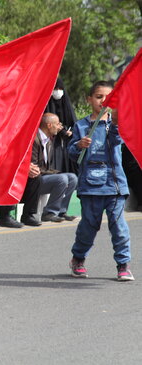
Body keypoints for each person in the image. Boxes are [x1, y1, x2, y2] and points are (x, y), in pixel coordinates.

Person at [68, 81, 133, 281]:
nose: (103, 101)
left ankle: (123, 265)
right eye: (98, 97)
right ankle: (78, 259)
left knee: (119, 227)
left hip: (114, 186)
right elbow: (71, 154)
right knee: (89, 225)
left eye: (107, 97)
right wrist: (79, 145)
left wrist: (115, 124)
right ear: (89, 100)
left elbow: (117, 142)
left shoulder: (115, 124)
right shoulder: (81, 126)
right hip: (90, 186)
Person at [32, 113, 78, 222]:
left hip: (43, 176)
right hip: (33, 179)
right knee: (61, 179)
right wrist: (54, 174)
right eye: (57, 124)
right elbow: (34, 166)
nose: (60, 127)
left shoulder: (49, 141)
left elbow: (47, 167)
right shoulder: (35, 139)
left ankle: (61, 211)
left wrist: (54, 172)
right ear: (49, 125)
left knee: (72, 177)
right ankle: (49, 212)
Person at [45, 78, 77, 173]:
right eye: (55, 89)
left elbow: (73, 122)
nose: (58, 91)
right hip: (50, 143)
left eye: (60, 88)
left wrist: (70, 132)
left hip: (66, 145)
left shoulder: (66, 104)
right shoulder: (47, 106)